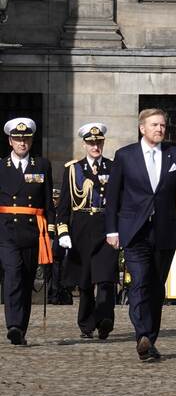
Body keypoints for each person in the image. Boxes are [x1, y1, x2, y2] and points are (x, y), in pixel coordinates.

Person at [105, 108, 176, 361]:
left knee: (157, 287)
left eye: (163, 125)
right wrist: (111, 230)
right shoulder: (125, 156)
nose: (160, 129)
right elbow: (113, 196)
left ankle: (150, 339)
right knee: (140, 281)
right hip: (135, 231)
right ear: (142, 128)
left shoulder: (175, 155)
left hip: (165, 230)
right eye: (155, 125)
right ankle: (142, 335)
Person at [55, 122, 118, 340]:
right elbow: (63, 205)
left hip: (106, 225)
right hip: (81, 227)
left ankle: (105, 319)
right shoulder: (73, 169)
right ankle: (86, 323)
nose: (95, 146)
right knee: (84, 280)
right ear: (85, 144)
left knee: (106, 277)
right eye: (91, 143)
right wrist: (62, 232)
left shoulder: (113, 167)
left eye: (99, 142)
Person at [1, 118, 54, 346]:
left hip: (33, 232)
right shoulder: (1, 167)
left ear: (31, 141)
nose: (22, 143)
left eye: (26, 139)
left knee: (26, 279)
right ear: (10, 141)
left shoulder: (41, 165)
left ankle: (20, 329)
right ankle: (12, 324)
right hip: (7, 231)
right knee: (13, 274)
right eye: (18, 139)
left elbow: (47, 201)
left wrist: (52, 230)